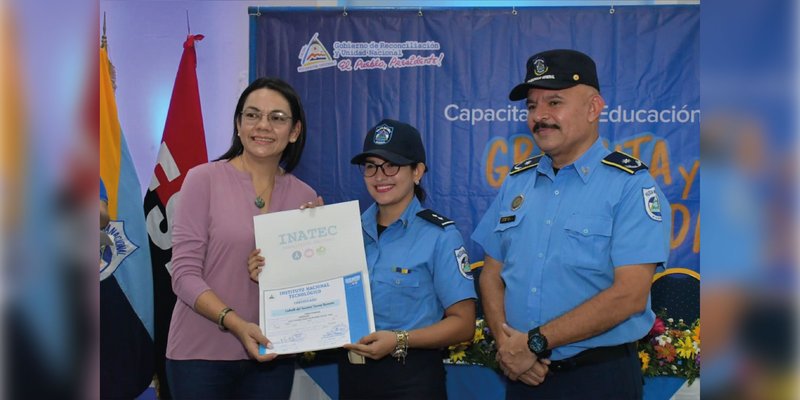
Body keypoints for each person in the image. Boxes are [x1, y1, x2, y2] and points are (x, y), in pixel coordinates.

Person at [472, 49, 671, 399]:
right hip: (523, 376)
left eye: (554, 103)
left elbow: (630, 296)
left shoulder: (630, 184)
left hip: (598, 379)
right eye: (532, 106)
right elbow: (491, 274)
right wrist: (508, 346)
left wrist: (535, 342)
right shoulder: (516, 182)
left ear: (594, 108)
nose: (540, 117)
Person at [166, 77, 320, 399]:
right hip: (199, 356)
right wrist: (235, 322)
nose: (263, 125)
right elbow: (183, 276)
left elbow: (308, 284)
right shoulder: (202, 179)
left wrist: (315, 251)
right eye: (252, 115)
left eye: (277, 118)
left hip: (273, 354)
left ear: (294, 132)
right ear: (238, 125)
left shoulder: (305, 197)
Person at [341, 119, 476, 399]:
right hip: (353, 377)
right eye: (371, 166)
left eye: (392, 165)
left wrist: (400, 340)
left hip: (411, 379)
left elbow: (463, 324)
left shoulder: (441, 236)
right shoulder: (344, 233)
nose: (380, 176)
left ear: (417, 171)